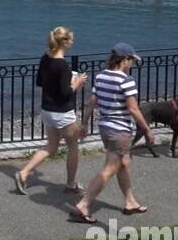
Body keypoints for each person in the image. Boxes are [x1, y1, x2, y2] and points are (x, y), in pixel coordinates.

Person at [71, 43, 155, 224]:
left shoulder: (101, 76)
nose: (132, 63)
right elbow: (133, 109)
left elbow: (92, 102)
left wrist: (84, 124)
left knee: (123, 163)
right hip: (120, 131)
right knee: (110, 169)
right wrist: (147, 130)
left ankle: (130, 201)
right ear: (124, 60)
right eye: (131, 60)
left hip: (105, 127)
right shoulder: (126, 80)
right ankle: (84, 204)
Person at [14, 27, 88, 195]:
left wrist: (61, 82)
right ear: (64, 42)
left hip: (47, 109)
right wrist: (77, 83)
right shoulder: (62, 65)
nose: (73, 43)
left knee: (52, 146)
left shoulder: (46, 57)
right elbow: (65, 93)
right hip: (63, 112)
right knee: (73, 146)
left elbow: (40, 81)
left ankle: (24, 173)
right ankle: (70, 184)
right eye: (71, 40)